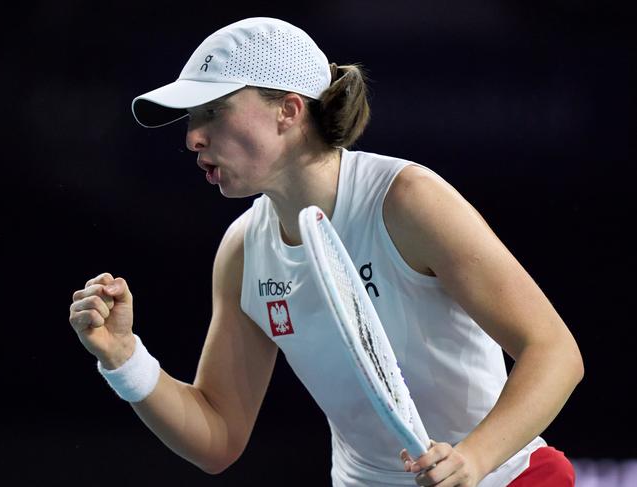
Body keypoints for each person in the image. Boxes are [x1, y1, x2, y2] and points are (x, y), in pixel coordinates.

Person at [68, 17, 583, 487]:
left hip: (508, 477)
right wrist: (124, 359)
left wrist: (473, 457)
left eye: (212, 112)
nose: (193, 138)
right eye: (190, 120)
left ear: (289, 111)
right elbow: (219, 438)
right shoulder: (244, 251)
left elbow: (555, 352)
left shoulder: (406, 201)